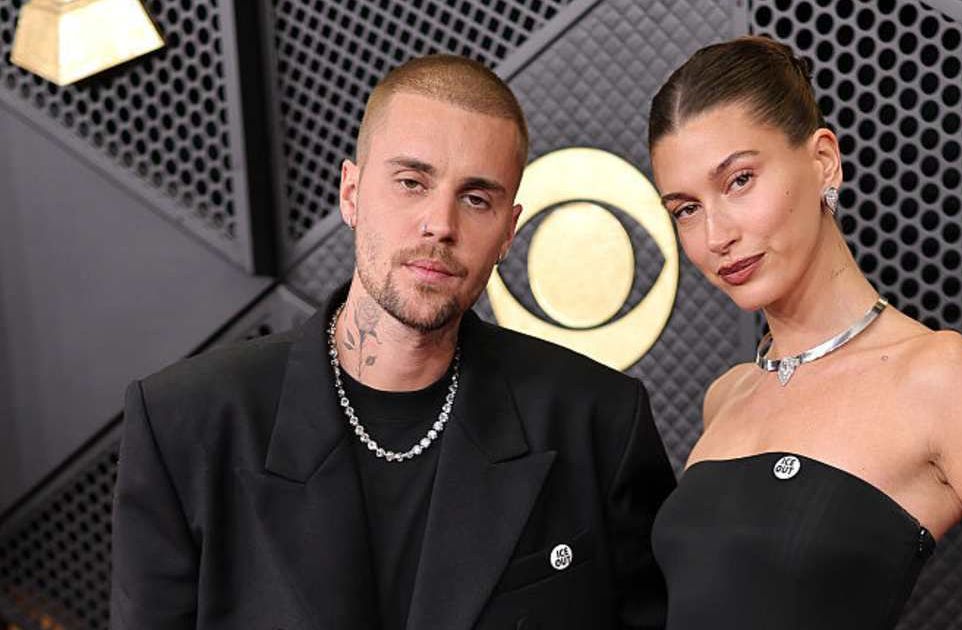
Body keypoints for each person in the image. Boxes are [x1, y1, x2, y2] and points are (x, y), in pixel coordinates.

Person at [111, 54, 675, 630]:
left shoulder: (598, 422)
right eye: (411, 183)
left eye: (476, 198)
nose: (440, 223)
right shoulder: (186, 423)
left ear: (508, 230)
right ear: (350, 193)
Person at [645, 36, 962, 630]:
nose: (716, 234)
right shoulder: (728, 396)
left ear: (823, 160)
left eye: (740, 180)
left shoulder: (937, 378)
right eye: (686, 209)